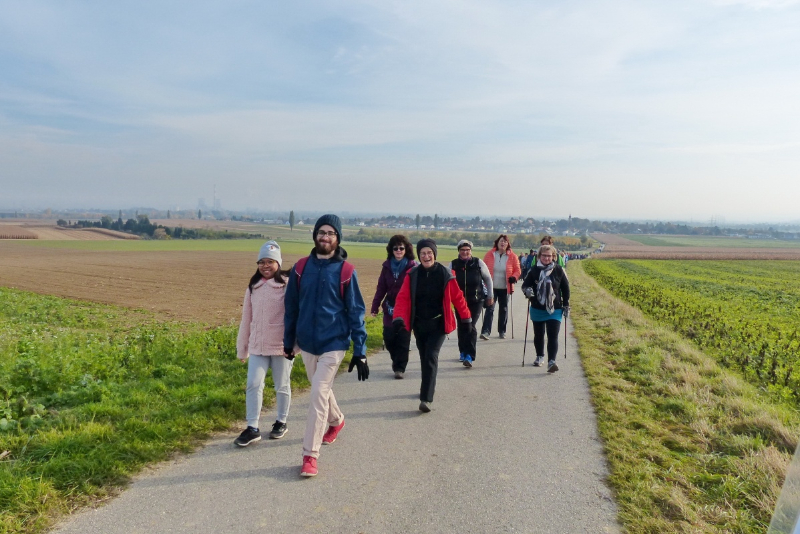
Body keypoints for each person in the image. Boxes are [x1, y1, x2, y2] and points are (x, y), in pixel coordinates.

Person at [284, 214, 368, 478]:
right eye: (322, 232)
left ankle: (310, 455)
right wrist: (288, 342)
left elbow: (356, 312)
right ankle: (337, 420)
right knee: (320, 389)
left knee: (318, 394)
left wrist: (360, 351)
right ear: (315, 236)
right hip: (307, 343)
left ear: (338, 238)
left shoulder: (346, 272)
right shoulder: (300, 268)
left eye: (331, 233)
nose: (325, 237)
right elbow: (291, 307)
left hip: (334, 342)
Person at [392, 239, 471, 412]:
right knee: (424, 356)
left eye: (429, 253)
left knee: (430, 356)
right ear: (419, 256)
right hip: (419, 323)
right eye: (422, 253)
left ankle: (426, 398)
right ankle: (426, 387)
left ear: (434, 254)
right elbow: (403, 298)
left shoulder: (445, 274)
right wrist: (398, 318)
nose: (426, 256)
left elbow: (457, 297)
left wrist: (466, 318)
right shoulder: (413, 274)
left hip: (439, 323)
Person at [234, 240, 293, 446]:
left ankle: (281, 421)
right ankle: (252, 427)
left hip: (281, 346)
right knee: (253, 383)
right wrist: (242, 349)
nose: (265, 266)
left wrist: (294, 345)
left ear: (278, 263)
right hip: (257, 346)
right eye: (261, 262)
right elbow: (246, 319)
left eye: (270, 262)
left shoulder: (287, 285)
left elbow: (295, 316)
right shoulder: (253, 287)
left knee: (282, 385)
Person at [371, 235, 417, 379]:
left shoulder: (413, 267)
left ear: (406, 249)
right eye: (395, 248)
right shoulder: (386, 267)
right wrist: (375, 306)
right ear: (391, 250)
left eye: (401, 248)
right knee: (389, 338)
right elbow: (381, 288)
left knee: (403, 339)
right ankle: (396, 360)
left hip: (405, 308)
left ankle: (400, 368)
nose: (398, 250)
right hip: (389, 306)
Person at [521, 244, 570, 373]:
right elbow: (525, 285)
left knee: (553, 335)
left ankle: (551, 361)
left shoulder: (558, 270)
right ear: (539, 256)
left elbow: (565, 288)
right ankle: (540, 356)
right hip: (537, 307)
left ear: (553, 256)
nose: (547, 258)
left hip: (555, 308)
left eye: (549, 256)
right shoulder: (534, 270)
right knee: (539, 335)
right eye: (544, 255)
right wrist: (527, 291)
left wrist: (566, 304)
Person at [449, 239, 493, 368]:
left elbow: (488, 279)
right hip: (459, 301)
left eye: (467, 250)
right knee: (462, 326)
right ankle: (462, 351)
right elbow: (446, 281)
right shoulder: (453, 264)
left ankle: (470, 355)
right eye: (462, 250)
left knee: (470, 325)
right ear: (459, 251)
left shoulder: (478, 263)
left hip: (476, 300)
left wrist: (490, 296)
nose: (465, 252)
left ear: (471, 251)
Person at [481, 234, 521, 340]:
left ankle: (502, 331)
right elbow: (483, 268)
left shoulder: (512, 256)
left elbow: (517, 270)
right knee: (490, 308)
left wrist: (514, 277)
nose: (503, 243)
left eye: (505, 241)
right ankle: (486, 331)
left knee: (503, 309)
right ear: (497, 243)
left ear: (508, 244)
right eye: (501, 241)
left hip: (505, 287)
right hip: (491, 287)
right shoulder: (489, 254)